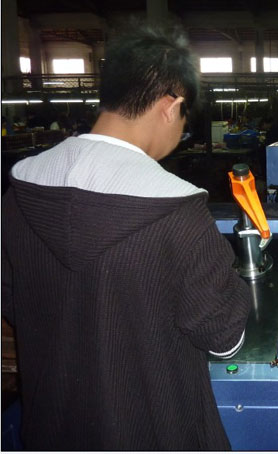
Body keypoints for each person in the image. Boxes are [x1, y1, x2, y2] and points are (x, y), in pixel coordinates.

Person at [1, 23, 251, 450]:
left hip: (50, 432)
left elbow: (12, 302)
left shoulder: (19, 193)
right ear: (171, 105)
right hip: (160, 435)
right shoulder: (179, 212)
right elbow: (226, 341)